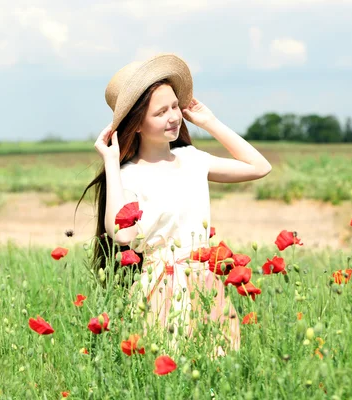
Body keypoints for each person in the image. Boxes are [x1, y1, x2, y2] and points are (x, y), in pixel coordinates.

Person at [79, 53, 271, 354]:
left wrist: (211, 122)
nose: (173, 117)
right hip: (160, 287)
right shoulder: (129, 176)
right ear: (137, 124)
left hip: (205, 282)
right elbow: (122, 235)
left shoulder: (193, 160)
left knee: (218, 368)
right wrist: (111, 162)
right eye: (160, 112)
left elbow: (259, 167)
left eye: (174, 107)